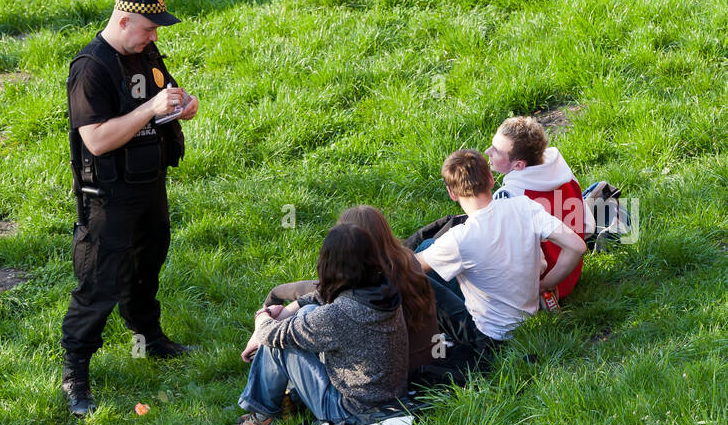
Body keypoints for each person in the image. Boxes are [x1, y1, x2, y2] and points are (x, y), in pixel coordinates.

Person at [61, 0, 199, 416]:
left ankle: (150, 339)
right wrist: (149, 110)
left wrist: (184, 104)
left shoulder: (144, 54)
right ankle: (75, 375)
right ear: (123, 22)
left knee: (147, 264)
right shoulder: (91, 68)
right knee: (98, 283)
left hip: (149, 182)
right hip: (109, 195)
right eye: (149, 29)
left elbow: (165, 93)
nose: (155, 37)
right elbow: (97, 140)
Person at [252, 203, 486, 390]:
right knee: (305, 314)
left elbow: (322, 293)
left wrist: (269, 316)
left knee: (304, 322)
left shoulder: (375, 285)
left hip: (396, 375)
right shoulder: (408, 264)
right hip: (424, 362)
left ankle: (265, 408)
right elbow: (319, 292)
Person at [225, 223, 409, 425]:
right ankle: (281, 402)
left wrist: (262, 316)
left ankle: (263, 418)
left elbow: (272, 335)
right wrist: (285, 311)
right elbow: (322, 296)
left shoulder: (338, 315)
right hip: (385, 399)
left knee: (281, 345)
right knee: (308, 311)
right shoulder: (382, 290)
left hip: (348, 412)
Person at [416, 150, 587, 349]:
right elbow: (577, 246)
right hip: (527, 317)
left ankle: (419, 343)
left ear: (452, 193)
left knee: (414, 277)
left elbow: (410, 267)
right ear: (490, 179)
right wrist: (547, 283)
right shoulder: (524, 207)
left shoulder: (460, 238)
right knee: (430, 248)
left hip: (488, 334)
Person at [487, 116, 589, 301]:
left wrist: (546, 285)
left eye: (496, 150)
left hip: (545, 287)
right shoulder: (564, 174)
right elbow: (587, 225)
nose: (488, 151)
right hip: (571, 275)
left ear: (519, 165)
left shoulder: (511, 196)